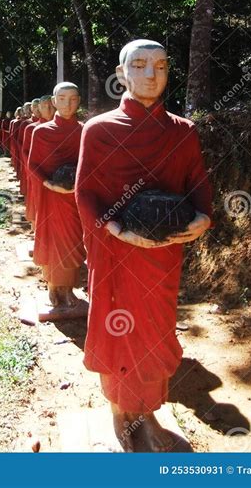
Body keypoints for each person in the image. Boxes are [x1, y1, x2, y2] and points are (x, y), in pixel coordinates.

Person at [75, 39, 212, 452]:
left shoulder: (183, 131)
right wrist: (116, 230)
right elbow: (85, 194)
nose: (151, 74)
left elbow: (199, 183)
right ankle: (122, 415)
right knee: (120, 333)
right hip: (117, 253)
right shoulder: (98, 130)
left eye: (161, 65)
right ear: (121, 75)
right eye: (139, 65)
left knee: (155, 333)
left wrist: (204, 218)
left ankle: (147, 413)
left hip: (163, 255)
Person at [28, 83, 87, 321]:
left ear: (79, 101)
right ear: (54, 101)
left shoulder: (85, 131)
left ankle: (69, 289)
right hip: (52, 197)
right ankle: (53, 286)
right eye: (62, 99)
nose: (68, 104)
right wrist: (48, 184)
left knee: (73, 242)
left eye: (73, 99)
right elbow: (33, 165)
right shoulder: (41, 132)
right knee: (53, 240)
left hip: (75, 197)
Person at [24, 95, 55, 228]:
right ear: (38, 109)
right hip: (38, 174)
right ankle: (37, 230)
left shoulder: (59, 127)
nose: (48, 109)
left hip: (58, 175)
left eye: (50, 105)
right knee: (38, 202)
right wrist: (35, 173)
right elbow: (25, 154)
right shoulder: (31, 128)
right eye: (44, 106)